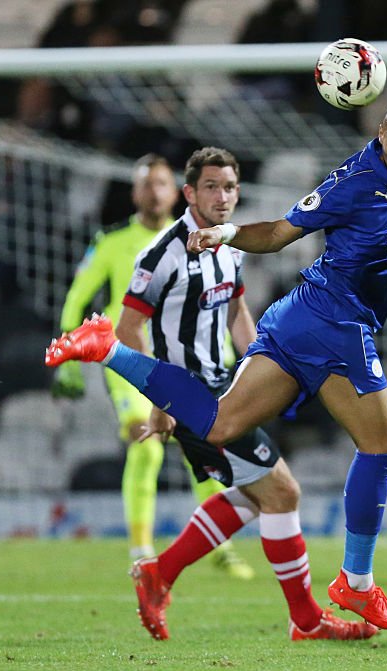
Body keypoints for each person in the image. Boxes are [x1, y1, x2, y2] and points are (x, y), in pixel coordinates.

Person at [46, 99, 387, 631]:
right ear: (379, 133)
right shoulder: (353, 182)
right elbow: (282, 233)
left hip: (298, 322)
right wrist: (228, 233)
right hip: (335, 324)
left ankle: (107, 349)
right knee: (382, 447)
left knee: (218, 425)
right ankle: (354, 584)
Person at [100, 146, 376, 642]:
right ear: (189, 193)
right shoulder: (162, 254)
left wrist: (262, 374)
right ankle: (307, 621)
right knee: (282, 492)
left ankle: (159, 573)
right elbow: (128, 332)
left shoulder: (229, 246)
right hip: (193, 400)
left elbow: (237, 316)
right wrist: (161, 402)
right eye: (211, 187)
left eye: (229, 187)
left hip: (226, 390)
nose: (222, 197)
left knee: (252, 497)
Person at [52, 153, 254, 578]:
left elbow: (230, 307)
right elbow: (77, 298)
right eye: (146, 184)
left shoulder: (204, 238)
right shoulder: (114, 243)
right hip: (137, 363)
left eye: (160, 183)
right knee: (145, 448)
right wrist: (69, 358)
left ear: (175, 191)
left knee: (202, 452)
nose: (153, 192)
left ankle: (219, 547)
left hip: (200, 363)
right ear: (134, 191)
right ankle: (141, 549)